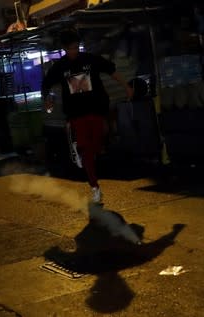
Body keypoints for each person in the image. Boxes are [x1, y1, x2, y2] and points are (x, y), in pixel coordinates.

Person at [42, 29, 134, 203]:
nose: (74, 52)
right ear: (64, 48)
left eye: (76, 47)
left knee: (97, 145)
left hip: (96, 109)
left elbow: (111, 70)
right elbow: (46, 84)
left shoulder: (90, 60)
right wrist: (48, 99)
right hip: (77, 114)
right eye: (70, 49)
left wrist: (126, 87)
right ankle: (95, 187)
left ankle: (83, 152)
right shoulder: (60, 66)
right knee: (87, 152)